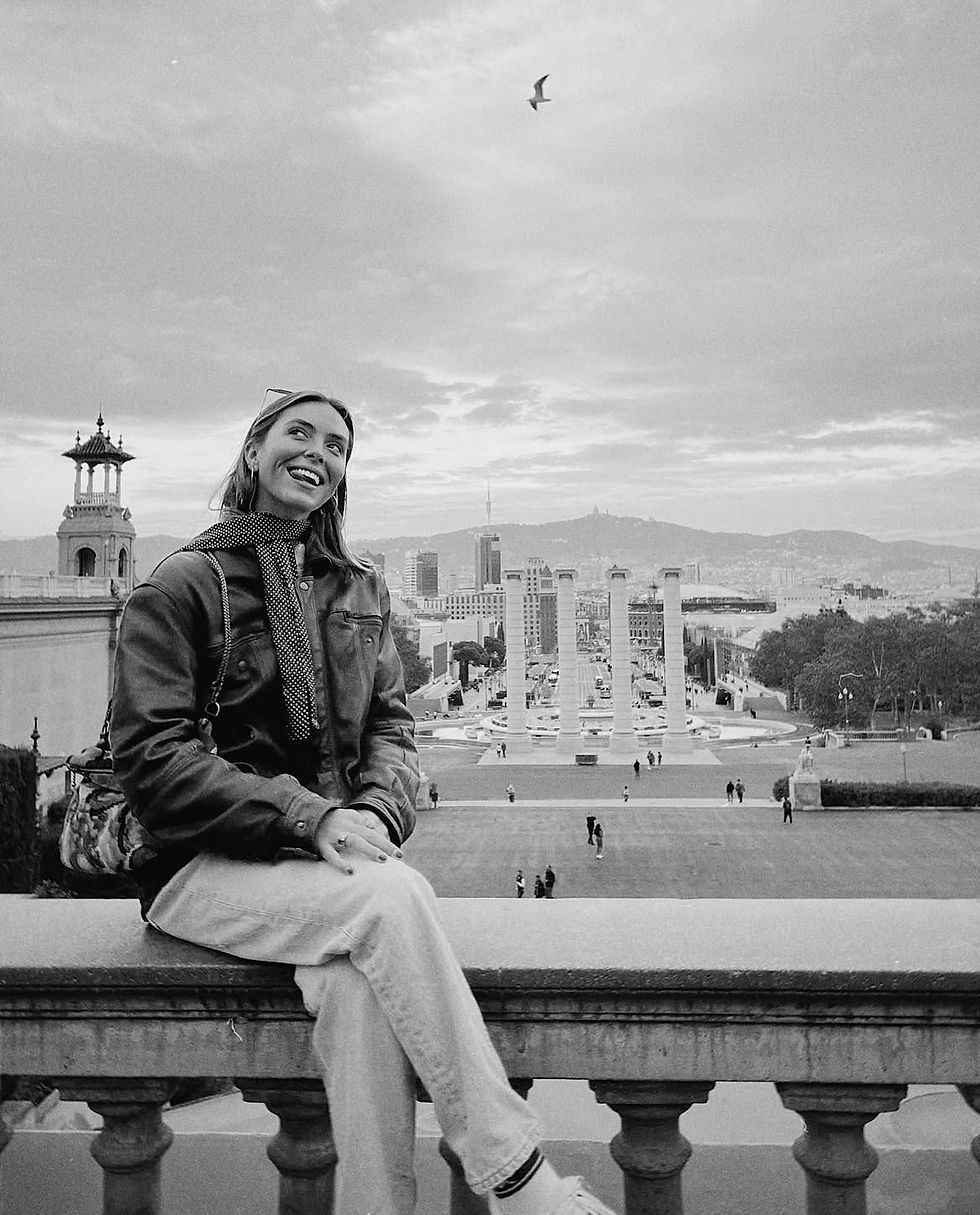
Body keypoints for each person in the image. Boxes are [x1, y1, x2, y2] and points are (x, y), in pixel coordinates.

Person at [110, 389, 616, 1215]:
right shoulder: (181, 585)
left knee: (357, 998)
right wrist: (311, 816)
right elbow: (151, 758)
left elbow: (392, 727)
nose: (318, 451)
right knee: (393, 897)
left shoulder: (358, 588)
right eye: (299, 432)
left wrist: (377, 811)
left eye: (337, 444)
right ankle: (520, 1179)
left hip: (326, 865)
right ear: (253, 451)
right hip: (197, 864)